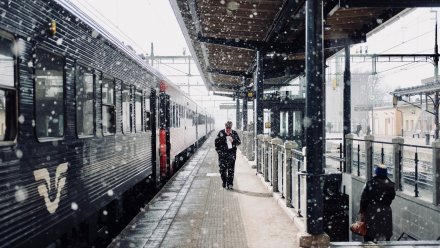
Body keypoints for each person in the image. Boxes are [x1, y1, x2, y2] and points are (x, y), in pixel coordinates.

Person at [359, 164, 396, 242]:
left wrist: (362, 211)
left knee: (370, 237)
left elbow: (364, 199)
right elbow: (392, 197)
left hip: (371, 212)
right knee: (385, 236)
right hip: (386, 213)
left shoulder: (370, 183)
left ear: (376, 172)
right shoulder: (391, 185)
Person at [214, 121, 241, 189]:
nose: (228, 129)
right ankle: (224, 181)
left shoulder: (234, 133)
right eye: (227, 128)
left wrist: (233, 140)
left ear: (231, 127)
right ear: (225, 127)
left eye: (229, 128)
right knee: (222, 170)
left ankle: (230, 184)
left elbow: (239, 142)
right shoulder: (221, 133)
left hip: (231, 154)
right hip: (222, 155)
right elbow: (216, 144)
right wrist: (220, 152)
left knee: (231, 170)